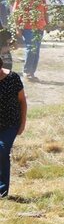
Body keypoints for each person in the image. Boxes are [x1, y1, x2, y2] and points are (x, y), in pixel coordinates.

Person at [11, 0, 47, 82]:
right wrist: (17, 28)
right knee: (31, 49)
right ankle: (27, 72)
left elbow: (45, 10)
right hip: (27, 27)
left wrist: (47, 24)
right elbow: (16, 13)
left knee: (36, 51)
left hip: (40, 26)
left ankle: (32, 72)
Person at [0, 63, 27, 198]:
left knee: (2, 149)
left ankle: (1, 190)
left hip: (10, 124)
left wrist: (22, 123)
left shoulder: (13, 78)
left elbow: (22, 101)